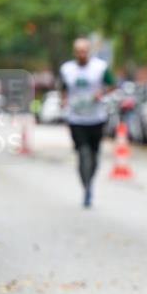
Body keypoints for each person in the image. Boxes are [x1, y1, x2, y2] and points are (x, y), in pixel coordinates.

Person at [59, 38, 115, 207]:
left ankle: (89, 183)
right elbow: (63, 88)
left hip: (96, 118)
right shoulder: (67, 69)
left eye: (84, 51)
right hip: (76, 119)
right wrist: (63, 100)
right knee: (83, 153)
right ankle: (87, 188)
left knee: (94, 157)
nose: (81, 54)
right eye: (78, 51)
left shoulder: (100, 67)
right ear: (74, 52)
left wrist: (101, 92)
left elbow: (112, 85)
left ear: (88, 51)